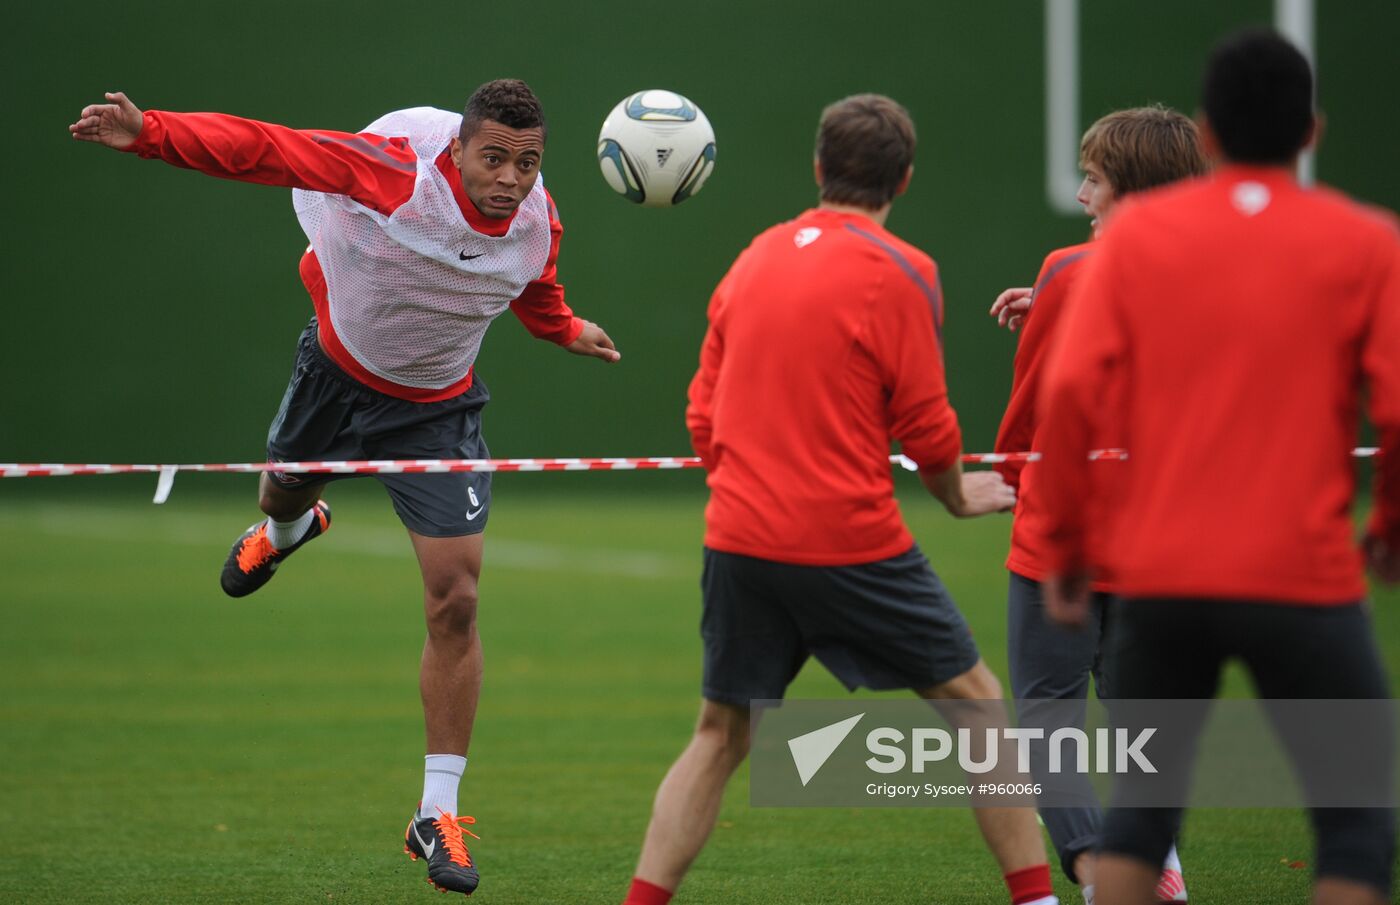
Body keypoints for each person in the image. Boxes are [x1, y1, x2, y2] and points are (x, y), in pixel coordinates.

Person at [69, 80, 621, 896]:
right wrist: (149, 131)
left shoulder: (539, 217)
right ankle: (292, 529)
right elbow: (268, 147)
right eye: (494, 157)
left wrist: (567, 329)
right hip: (334, 375)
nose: (510, 177)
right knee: (277, 499)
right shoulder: (395, 173)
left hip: (437, 413)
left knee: (457, 599)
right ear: (458, 149)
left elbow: (534, 286)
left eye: (528, 162)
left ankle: (436, 811)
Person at [621, 94, 1060, 905]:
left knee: (719, 735)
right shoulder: (903, 269)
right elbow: (928, 425)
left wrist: (748, 491)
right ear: (906, 178)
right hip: (848, 542)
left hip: (740, 541)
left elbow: (701, 414)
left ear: (819, 169)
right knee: (979, 705)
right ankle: (1036, 898)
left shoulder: (753, 256)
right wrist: (956, 496)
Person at [1036, 29, 1400, 905]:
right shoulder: (1368, 244)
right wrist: (1387, 529)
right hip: (1304, 577)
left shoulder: (1129, 244)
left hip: (1163, 579)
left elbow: (1070, 398)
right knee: (1355, 820)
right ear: (1310, 132)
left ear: (1206, 131)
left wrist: (1068, 546)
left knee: (1140, 815)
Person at [988, 106, 1208, 905]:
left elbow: (1032, 407)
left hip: (1065, 529)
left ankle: (1094, 868)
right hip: (1164, 531)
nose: (1083, 195)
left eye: (1095, 180)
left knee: (1048, 711)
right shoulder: (1216, 272)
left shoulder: (1069, 270)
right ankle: (1162, 862)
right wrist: (1044, 300)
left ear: (1134, 190)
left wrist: (1005, 476)